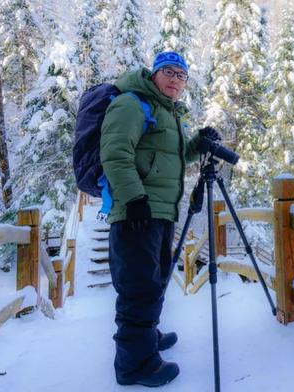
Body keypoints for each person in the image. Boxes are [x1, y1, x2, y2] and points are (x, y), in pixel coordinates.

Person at [100, 51, 219, 387]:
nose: (175, 80)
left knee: (153, 280)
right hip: (137, 212)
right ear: (153, 74)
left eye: (181, 75)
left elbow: (176, 157)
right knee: (139, 286)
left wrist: (199, 142)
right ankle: (134, 366)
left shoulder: (168, 114)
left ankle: (146, 335)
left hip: (161, 211)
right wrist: (134, 198)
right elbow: (114, 152)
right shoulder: (132, 104)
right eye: (168, 72)